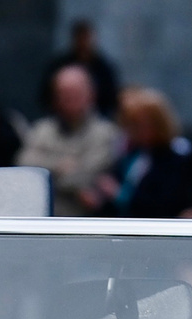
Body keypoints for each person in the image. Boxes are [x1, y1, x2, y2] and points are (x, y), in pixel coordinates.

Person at [18, 63, 124, 215]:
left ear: (91, 94)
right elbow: (25, 165)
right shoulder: (41, 130)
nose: (69, 99)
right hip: (46, 221)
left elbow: (90, 174)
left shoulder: (106, 133)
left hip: (87, 224)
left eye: (75, 93)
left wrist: (49, 175)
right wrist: (61, 167)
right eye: (63, 93)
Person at [98, 88, 192, 218]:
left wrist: (120, 195)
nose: (132, 131)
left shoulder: (177, 159)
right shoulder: (131, 156)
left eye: (138, 125)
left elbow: (165, 202)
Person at [39, 20, 122, 120]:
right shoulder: (59, 66)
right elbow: (45, 95)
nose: (83, 42)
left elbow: (112, 98)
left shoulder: (104, 68)